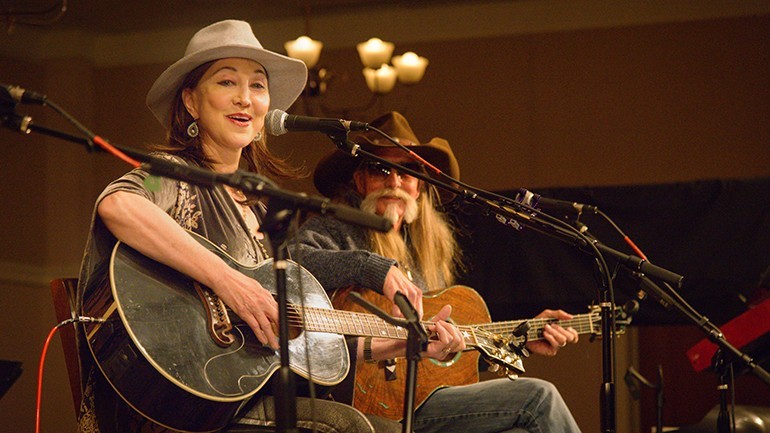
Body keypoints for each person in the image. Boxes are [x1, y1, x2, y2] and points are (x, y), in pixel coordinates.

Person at [75, 20, 401, 433]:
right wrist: (227, 280)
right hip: (177, 402)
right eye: (227, 82)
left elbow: (280, 332)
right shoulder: (167, 172)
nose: (245, 99)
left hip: (240, 390)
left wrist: (396, 343)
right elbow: (119, 203)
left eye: (258, 86)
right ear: (191, 102)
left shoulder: (262, 205)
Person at [291, 111, 583, 433]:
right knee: (538, 398)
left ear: (420, 185)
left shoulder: (427, 250)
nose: (394, 181)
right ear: (359, 180)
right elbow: (292, 261)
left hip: (418, 396)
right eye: (380, 169)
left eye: (407, 171)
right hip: (357, 398)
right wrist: (370, 266)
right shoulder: (333, 227)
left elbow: (443, 353)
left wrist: (520, 342)